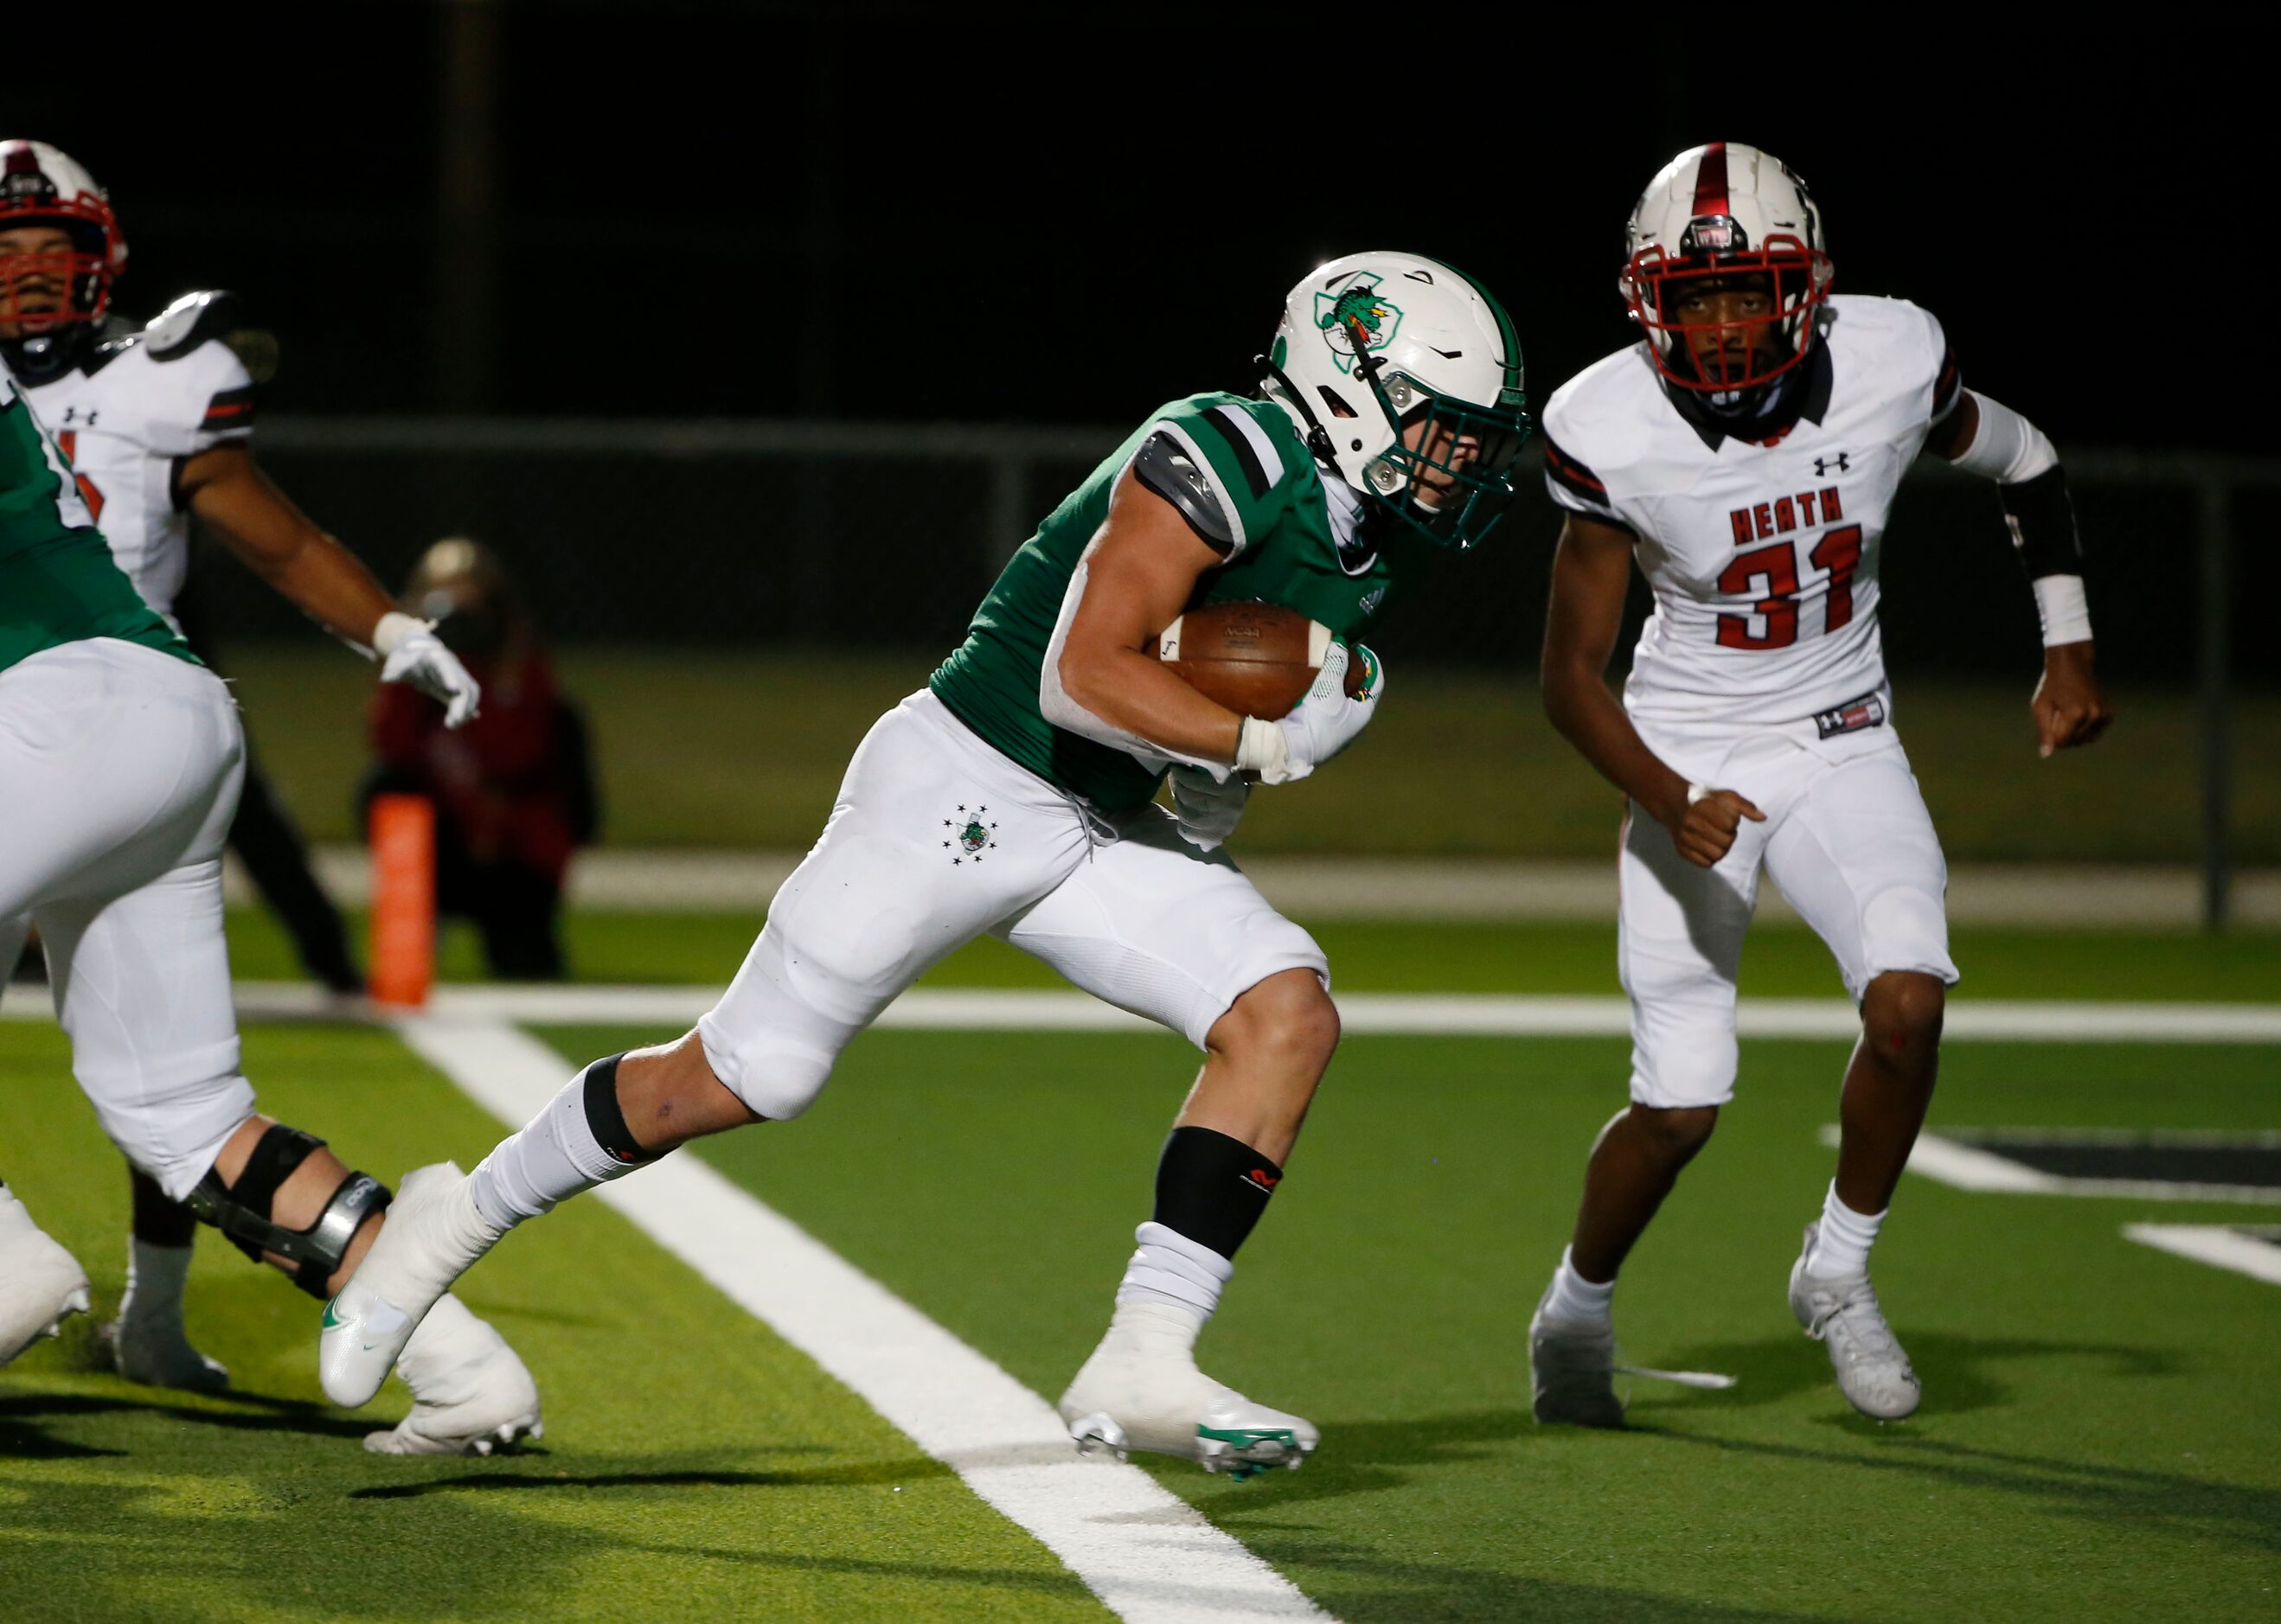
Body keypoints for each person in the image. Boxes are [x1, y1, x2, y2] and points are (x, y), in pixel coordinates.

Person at [321, 251, 1534, 1478]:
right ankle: (445, 1221)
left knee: (1283, 1010)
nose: (1461, 466)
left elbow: (1211, 719)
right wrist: (1265, 734)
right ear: (1346, 387)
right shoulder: (1225, 450)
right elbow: (1086, 672)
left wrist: (1238, 780)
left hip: (1097, 820)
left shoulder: (1376, 534)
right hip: (966, 778)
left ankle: (1143, 1353)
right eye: (1443, 432)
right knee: (741, 1075)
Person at [1526, 144, 2111, 1425]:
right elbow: (1571, 676)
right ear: (1648, 300)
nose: (1725, 324)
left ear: (1809, 288)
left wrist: (2064, 648)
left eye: (1749, 294)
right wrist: (1666, 788)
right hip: (1686, 748)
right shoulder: (1605, 421)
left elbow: (2025, 457)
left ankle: (1836, 1272)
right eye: (1696, 298)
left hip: (1843, 731)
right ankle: (1576, 1300)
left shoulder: (1895, 358)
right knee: (1679, 1106)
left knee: (1908, 1002)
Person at [0, 160, 539, 1456]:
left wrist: (391, 626)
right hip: (171, 714)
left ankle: (12, 1264)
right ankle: (465, 1362)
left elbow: (275, 533)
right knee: (182, 1113)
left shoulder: (159, 381)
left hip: (50, 705)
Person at [364, 537, 599, 980]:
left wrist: (484, 681)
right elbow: (393, 747)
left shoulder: (520, 666)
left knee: (527, 967)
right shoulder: (413, 671)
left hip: (515, 845)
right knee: (387, 788)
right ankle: (412, 936)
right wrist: (412, 668)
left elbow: (520, 756)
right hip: (447, 839)